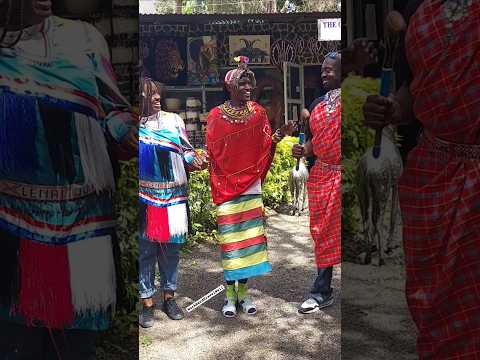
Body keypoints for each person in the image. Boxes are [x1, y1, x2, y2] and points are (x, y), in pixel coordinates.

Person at [0, 1, 138, 358]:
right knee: (18, 342)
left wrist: (127, 132)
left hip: (85, 226)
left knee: (78, 345)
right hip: (11, 231)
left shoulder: (84, 38)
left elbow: (113, 109)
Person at [363, 1, 480, 358]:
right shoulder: (419, 9)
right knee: (438, 307)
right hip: (433, 173)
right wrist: (392, 109)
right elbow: (415, 86)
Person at [206, 56, 294, 318]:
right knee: (231, 244)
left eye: (250, 84)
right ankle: (229, 297)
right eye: (242, 83)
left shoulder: (258, 113)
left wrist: (279, 135)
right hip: (227, 190)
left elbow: (265, 144)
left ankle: (243, 295)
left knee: (250, 244)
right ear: (230, 86)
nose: (248, 88)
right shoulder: (215, 116)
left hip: (251, 189)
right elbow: (213, 152)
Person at [138, 78, 207, 326]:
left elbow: (186, 150)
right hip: (147, 198)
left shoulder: (174, 121)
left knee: (171, 250)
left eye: (158, 94)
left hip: (174, 197)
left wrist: (195, 161)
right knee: (146, 250)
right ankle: (147, 302)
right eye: (150, 95)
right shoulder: (135, 126)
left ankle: (169, 297)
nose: (157, 98)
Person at [292, 52, 341, 314]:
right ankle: (322, 291)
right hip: (323, 175)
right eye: (322, 70)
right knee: (323, 233)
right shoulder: (318, 104)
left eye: (331, 69)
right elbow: (315, 142)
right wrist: (303, 151)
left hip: (348, 175)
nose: (324, 73)